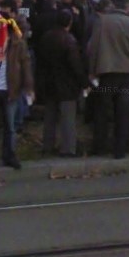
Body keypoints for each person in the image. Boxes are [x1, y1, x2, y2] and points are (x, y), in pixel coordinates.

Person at [87, 0, 129, 159]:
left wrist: (92, 71)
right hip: (126, 77)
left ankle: (100, 146)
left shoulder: (102, 22)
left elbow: (92, 48)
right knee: (123, 111)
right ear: (128, 8)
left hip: (106, 75)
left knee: (102, 110)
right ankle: (120, 149)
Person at [0, 13, 33, 172]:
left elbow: (26, 66)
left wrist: (28, 87)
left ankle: (9, 155)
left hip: (11, 89)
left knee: (10, 126)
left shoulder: (18, 44)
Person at [37, 10, 87, 157]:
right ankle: (68, 148)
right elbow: (75, 65)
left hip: (49, 82)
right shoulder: (69, 40)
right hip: (67, 84)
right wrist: (84, 82)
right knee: (68, 118)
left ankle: (47, 146)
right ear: (69, 23)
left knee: (50, 118)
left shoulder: (46, 37)